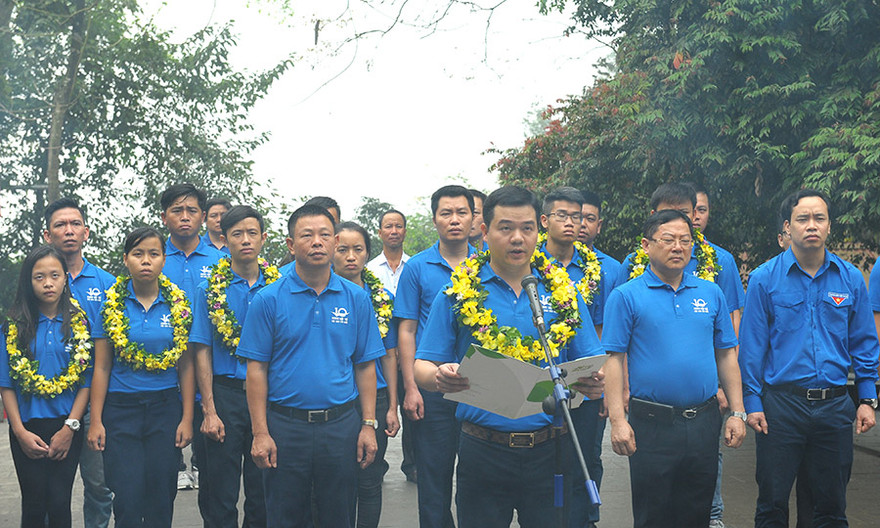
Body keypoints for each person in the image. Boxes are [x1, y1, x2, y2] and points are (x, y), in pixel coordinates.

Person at [413, 185, 605, 528]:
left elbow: (590, 361)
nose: (518, 238)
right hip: (482, 450)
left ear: (538, 230)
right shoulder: (458, 291)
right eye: (506, 228)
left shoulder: (563, 293)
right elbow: (422, 366)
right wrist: (439, 376)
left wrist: (593, 383)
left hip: (551, 450)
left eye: (527, 228)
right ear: (485, 231)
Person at [238, 204, 385, 528]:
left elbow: (364, 366)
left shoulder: (356, 299)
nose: (317, 242)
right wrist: (260, 433)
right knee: (284, 515)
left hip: (341, 426)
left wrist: (368, 425)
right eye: (307, 235)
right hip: (285, 427)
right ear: (291, 245)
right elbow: (256, 370)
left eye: (324, 235)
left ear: (334, 242)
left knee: (339, 514)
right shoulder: (269, 299)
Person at [739, 189, 880, 527]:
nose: (811, 225)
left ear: (830, 226)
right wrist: (751, 402)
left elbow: (863, 342)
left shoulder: (850, 280)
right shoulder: (763, 279)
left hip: (833, 408)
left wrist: (867, 398)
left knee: (829, 506)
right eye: (803, 219)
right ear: (788, 227)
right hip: (780, 407)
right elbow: (752, 348)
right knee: (772, 503)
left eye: (819, 218)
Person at [603, 209, 746, 528]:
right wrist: (617, 421)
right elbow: (614, 360)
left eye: (685, 240)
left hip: (703, 421)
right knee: (653, 515)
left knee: (697, 512)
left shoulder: (711, 292)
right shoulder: (626, 296)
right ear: (646, 245)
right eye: (668, 239)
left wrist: (737, 412)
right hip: (652, 423)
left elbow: (726, 355)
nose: (678, 247)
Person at [87, 227, 196, 528]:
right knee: (127, 496)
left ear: (164, 259)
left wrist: (187, 418)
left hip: (164, 409)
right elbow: (102, 367)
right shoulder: (111, 305)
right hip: (121, 410)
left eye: (153, 254)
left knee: (162, 495)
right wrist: (96, 420)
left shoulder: (178, 305)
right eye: (138, 254)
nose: (145, 261)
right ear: (126, 259)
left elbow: (186, 366)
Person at [190, 205, 278, 527]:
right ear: (224, 240)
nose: (245, 240)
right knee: (219, 492)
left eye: (252, 233)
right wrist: (209, 410)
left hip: (268, 396)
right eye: (237, 234)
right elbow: (202, 350)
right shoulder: (209, 290)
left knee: (263, 488)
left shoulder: (279, 289)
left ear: (263, 238)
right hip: (225, 395)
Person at [394, 185, 475, 528]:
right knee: (433, 478)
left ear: (474, 219)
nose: (454, 220)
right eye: (446, 213)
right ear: (434, 220)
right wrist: (411, 387)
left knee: (476, 479)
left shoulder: (488, 263)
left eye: (461, 213)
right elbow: (407, 331)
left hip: (480, 388)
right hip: (434, 388)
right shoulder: (417, 268)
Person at [1, 245, 92, 528]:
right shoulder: (13, 326)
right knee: (34, 504)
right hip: (26, 426)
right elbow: (6, 385)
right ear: (28, 281)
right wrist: (19, 432)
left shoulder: (79, 325)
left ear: (65, 278)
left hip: (67, 426)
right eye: (39, 277)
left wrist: (70, 427)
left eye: (54, 275)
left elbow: (86, 382)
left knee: (59, 502)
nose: (48, 283)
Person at [42, 197, 115, 528]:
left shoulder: (106, 283)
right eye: (60, 225)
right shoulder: (37, 279)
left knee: (99, 485)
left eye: (74, 224)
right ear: (47, 235)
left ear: (86, 232)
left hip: (95, 400)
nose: (68, 231)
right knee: (48, 487)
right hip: (47, 397)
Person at [538, 186, 606, 528]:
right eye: (563, 215)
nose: (572, 223)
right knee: (544, 467)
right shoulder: (530, 265)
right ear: (545, 220)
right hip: (537, 390)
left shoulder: (600, 268)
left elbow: (604, 329)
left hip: (582, 383)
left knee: (585, 461)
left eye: (577, 217)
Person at [333, 221, 401, 528]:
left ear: (367, 254)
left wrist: (393, 407)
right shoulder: (323, 293)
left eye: (357, 249)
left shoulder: (382, 296)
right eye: (342, 249)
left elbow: (390, 354)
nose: (350, 256)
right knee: (337, 478)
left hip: (377, 395)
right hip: (337, 398)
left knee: (370, 477)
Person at [159, 183, 224, 496]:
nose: (184, 217)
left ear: (203, 217)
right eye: (177, 211)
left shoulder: (220, 262)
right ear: (164, 217)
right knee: (162, 461)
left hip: (211, 369)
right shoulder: (152, 258)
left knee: (212, 463)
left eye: (192, 211)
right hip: (163, 371)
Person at [687, 182, 745, 528]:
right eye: (689, 208)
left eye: (702, 209)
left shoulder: (720, 260)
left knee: (710, 465)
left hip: (712, 388)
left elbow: (731, 332)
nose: (695, 216)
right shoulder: (639, 262)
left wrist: (727, 388)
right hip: (657, 401)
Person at [366, 209, 409, 295]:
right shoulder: (369, 269)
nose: (394, 231)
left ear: (404, 232)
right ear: (380, 233)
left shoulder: (413, 266)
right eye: (388, 226)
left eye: (399, 226)